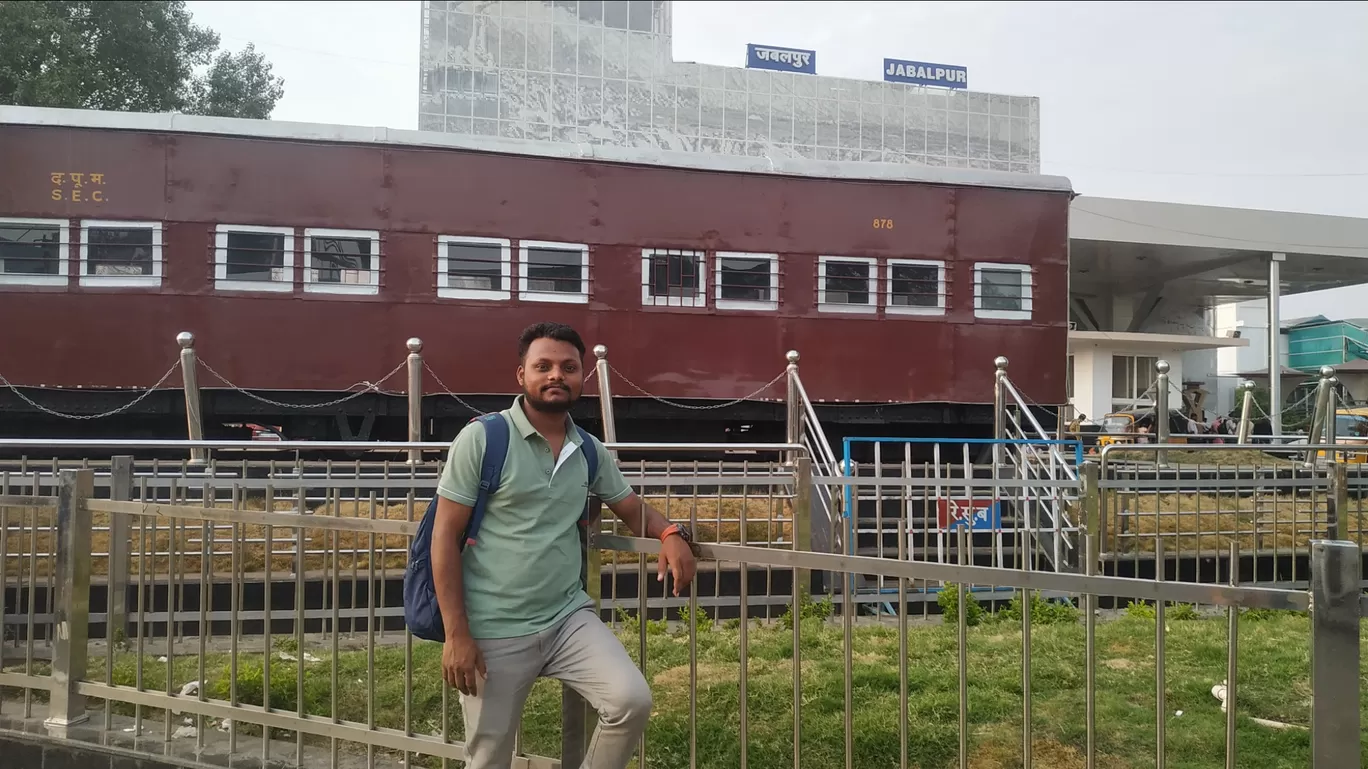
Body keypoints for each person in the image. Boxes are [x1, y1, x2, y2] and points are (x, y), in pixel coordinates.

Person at [430, 321, 698, 769]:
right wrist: (457, 633)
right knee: (489, 756)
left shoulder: (588, 449)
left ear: (581, 377)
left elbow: (631, 508)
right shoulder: (483, 439)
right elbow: (443, 536)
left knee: (630, 701)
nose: (557, 375)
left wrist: (670, 534)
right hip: (492, 628)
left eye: (568, 367)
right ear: (521, 376)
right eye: (544, 366)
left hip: (567, 618)